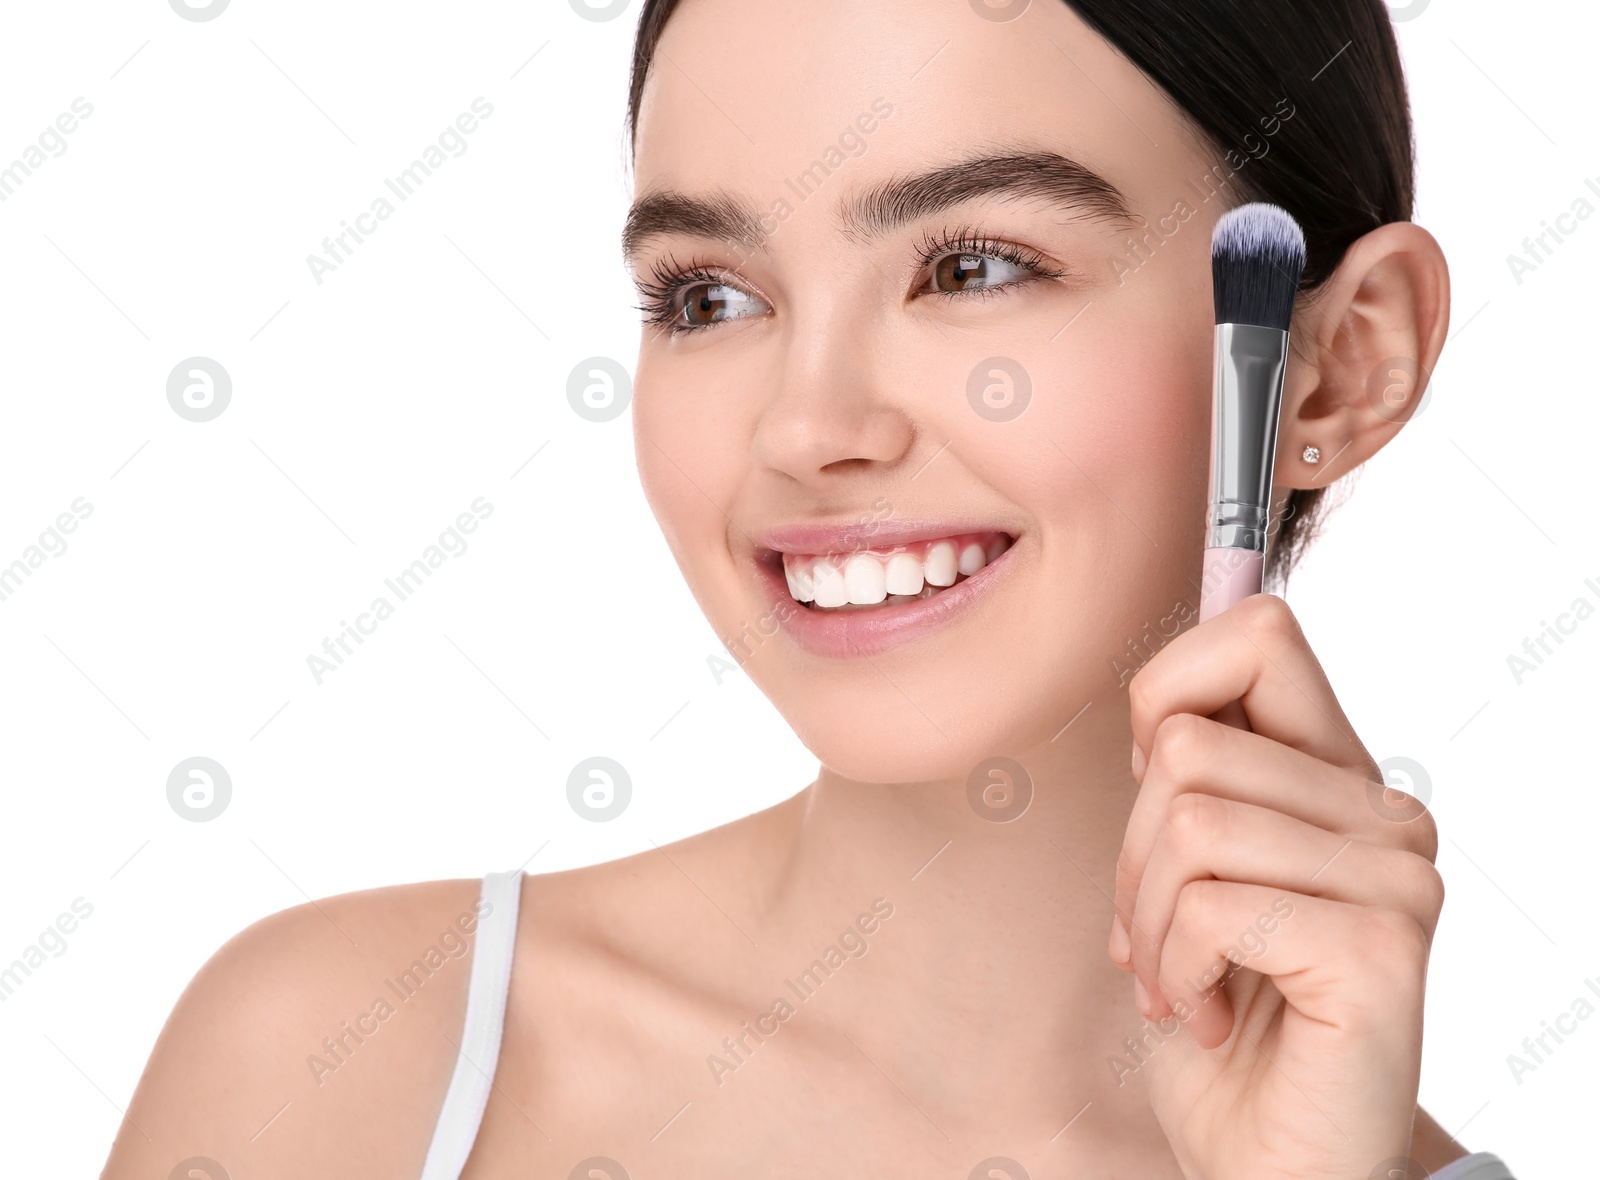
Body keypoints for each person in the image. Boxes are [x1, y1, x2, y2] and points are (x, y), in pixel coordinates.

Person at [102, 1, 1515, 1176]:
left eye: (973, 266)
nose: (803, 424)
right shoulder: (343, 1062)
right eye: (708, 296)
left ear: (1339, 359)